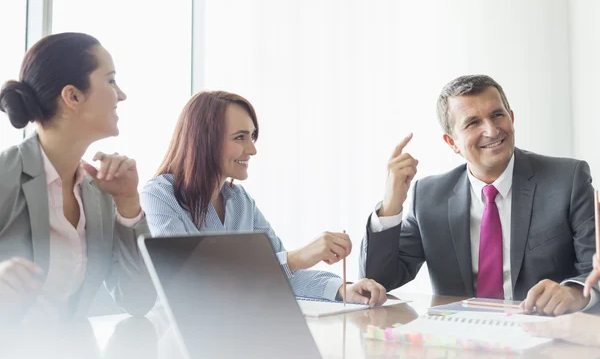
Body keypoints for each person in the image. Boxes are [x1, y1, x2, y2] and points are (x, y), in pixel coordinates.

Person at [359, 74, 598, 315]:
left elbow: (594, 269)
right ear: (452, 142)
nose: (492, 130)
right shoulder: (429, 196)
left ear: (511, 118)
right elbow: (377, 283)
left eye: (497, 115)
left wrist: (574, 292)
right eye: (473, 123)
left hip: (543, 336)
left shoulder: (567, 179)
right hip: (461, 341)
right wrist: (391, 204)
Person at [140, 91, 387, 305]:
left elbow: (284, 275)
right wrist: (296, 257)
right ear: (205, 141)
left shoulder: (239, 201)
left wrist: (343, 289)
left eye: (252, 136)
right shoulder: (159, 197)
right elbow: (191, 280)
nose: (252, 149)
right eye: (240, 137)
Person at [0, 32, 155, 322]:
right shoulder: (5, 177)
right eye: (110, 80)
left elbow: (137, 299)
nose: (121, 94)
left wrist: (128, 202)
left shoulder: (99, 192)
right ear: (72, 96)